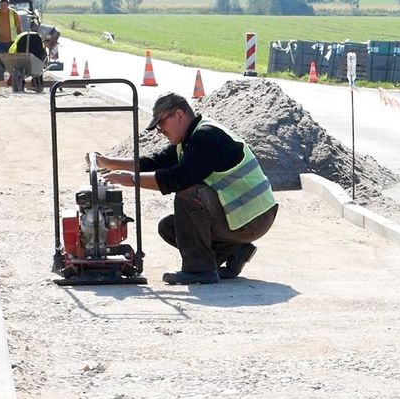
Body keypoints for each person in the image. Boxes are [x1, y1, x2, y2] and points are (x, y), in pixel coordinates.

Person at [93, 92, 278, 285]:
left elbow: (178, 178)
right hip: (244, 218)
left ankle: (200, 270)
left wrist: (131, 180)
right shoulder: (190, 138)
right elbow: (156, 162)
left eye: (161, 123)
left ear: (179, 115)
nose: (159, 131)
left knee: (190, 195)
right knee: (170, 228)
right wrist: (109, 162)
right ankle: (235, 250)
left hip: (254, 218)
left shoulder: (206, 136)